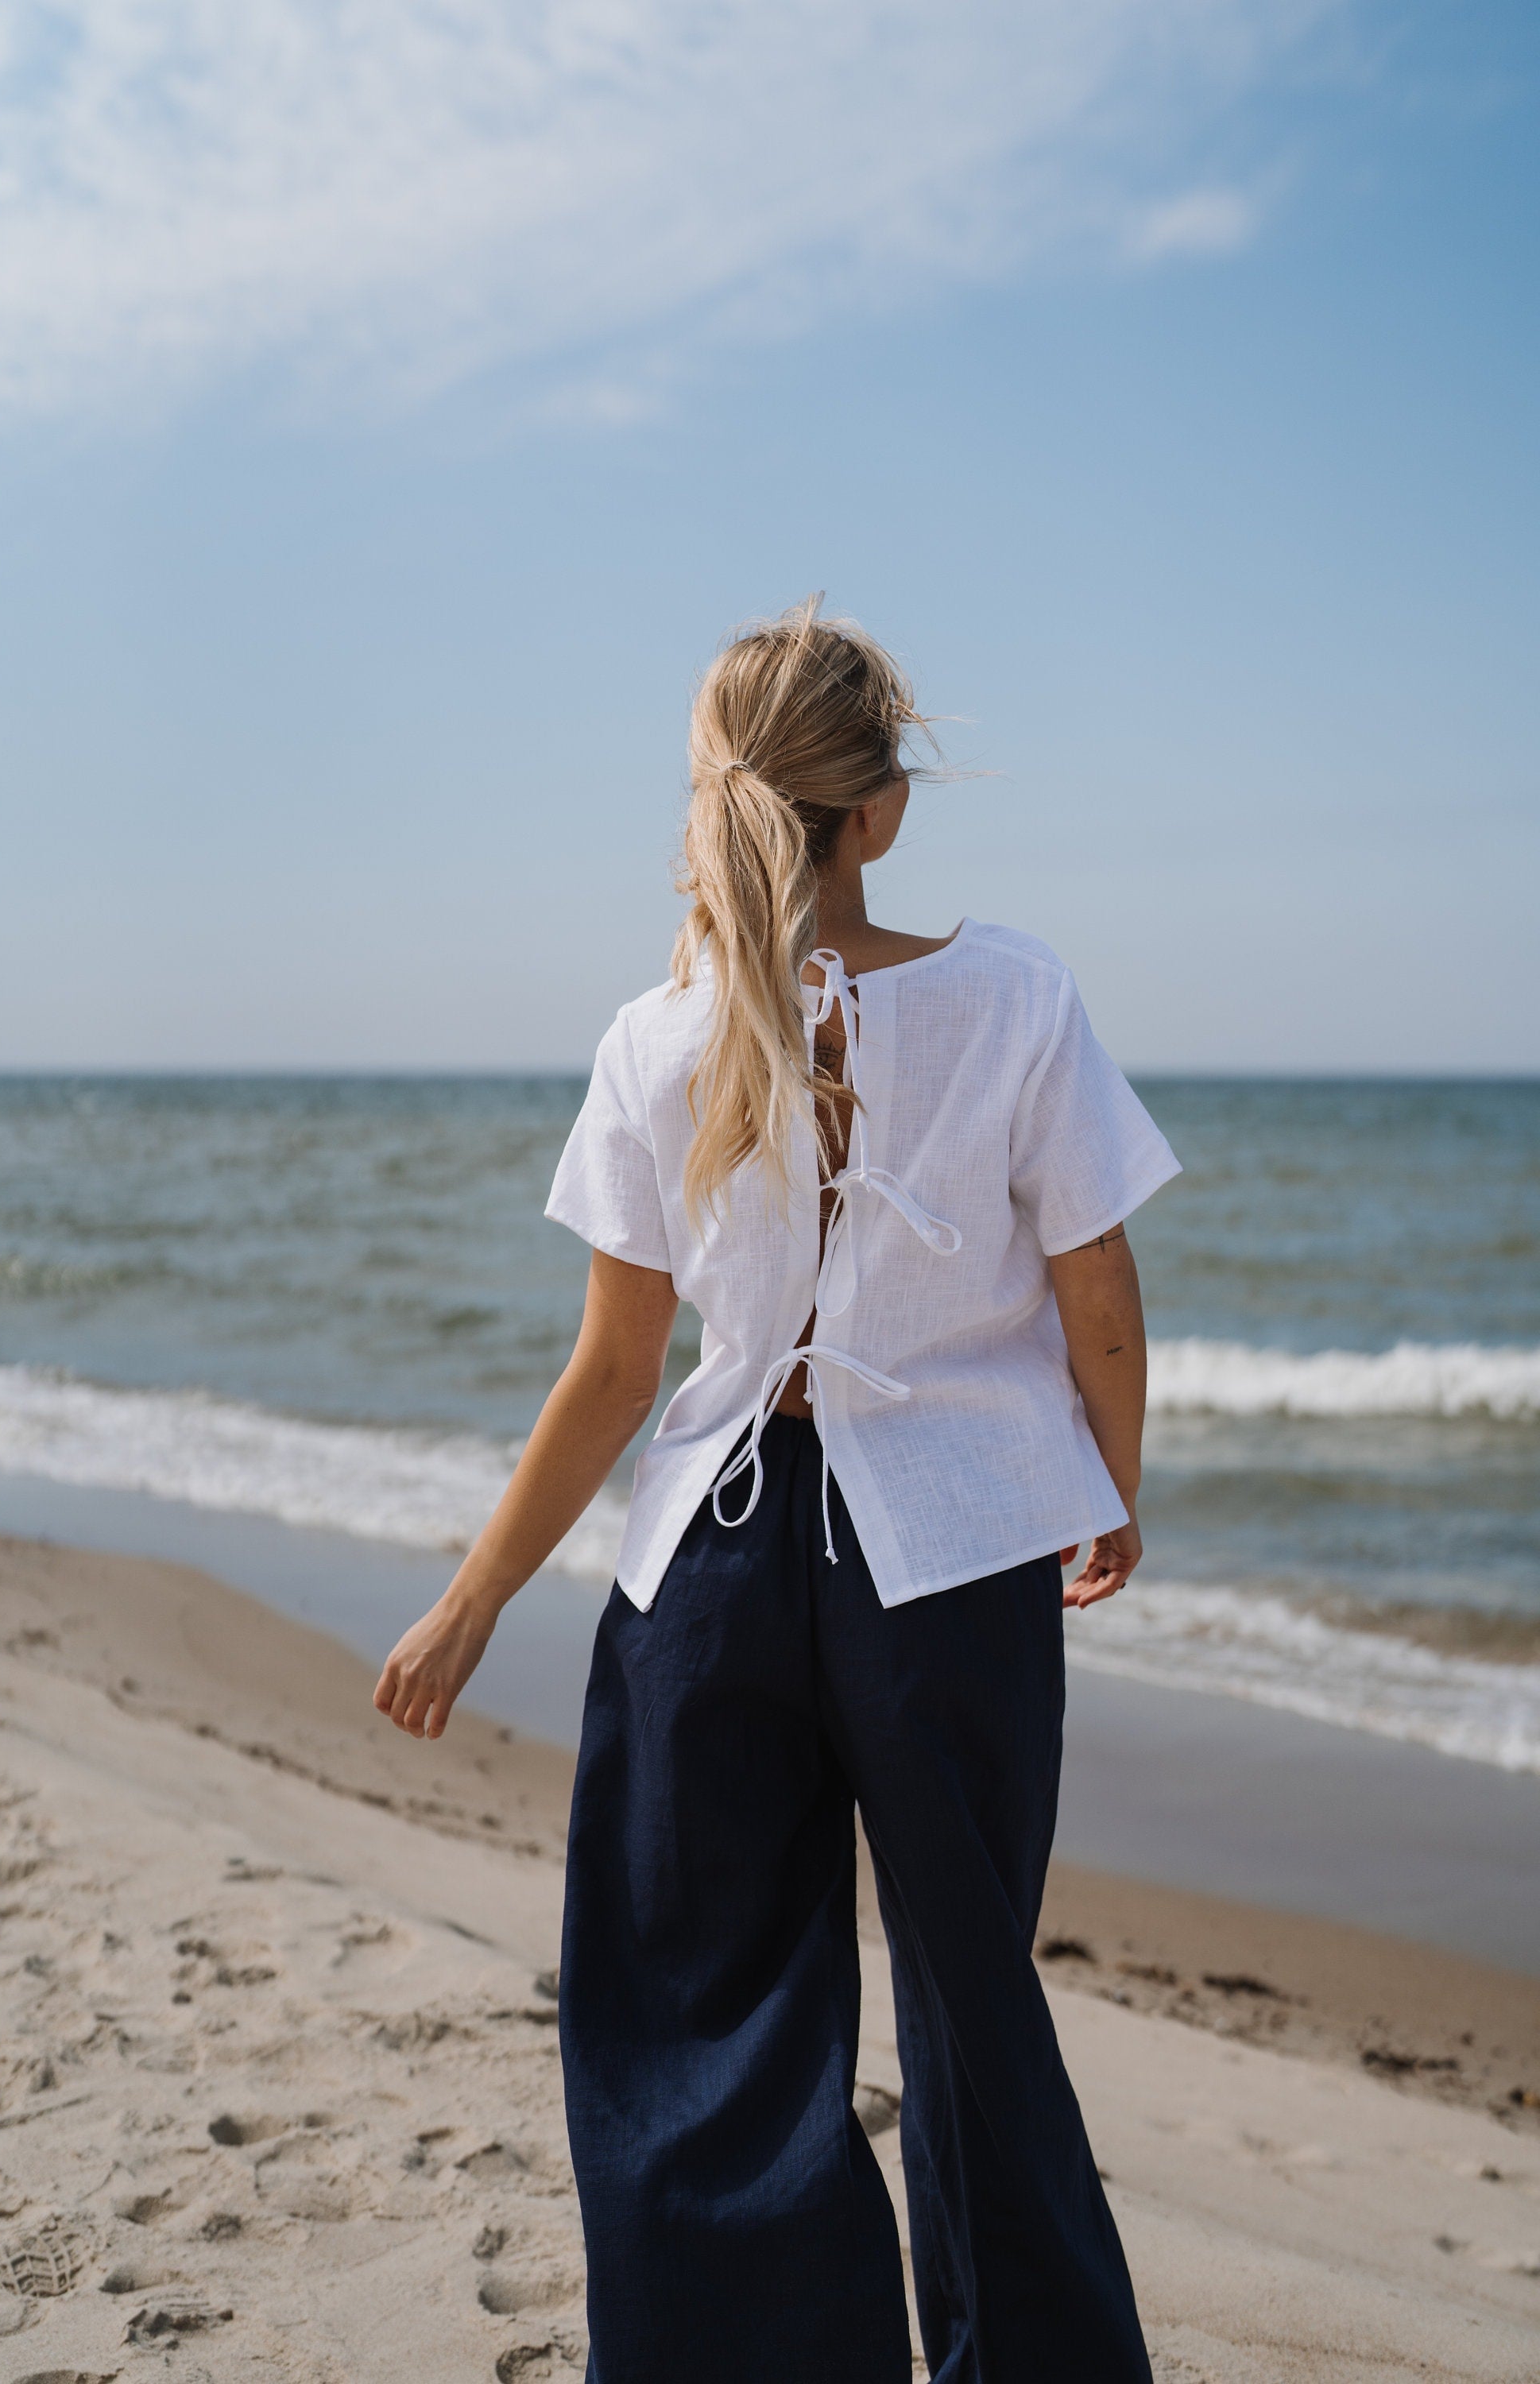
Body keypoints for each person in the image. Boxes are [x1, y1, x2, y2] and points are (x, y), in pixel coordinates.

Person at [374, 599, 1181, 2382]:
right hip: (953, 1568)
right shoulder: (1016, 995)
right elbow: (1099, 1299)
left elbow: (613, 1376)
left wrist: (473, 1597)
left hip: (708, 1580)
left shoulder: (654, 1040)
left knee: (699, 2020)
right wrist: (1101, 1488)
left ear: (711, 801)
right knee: (976, 2008)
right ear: (877, 807)